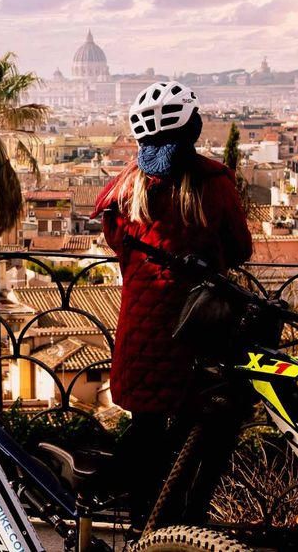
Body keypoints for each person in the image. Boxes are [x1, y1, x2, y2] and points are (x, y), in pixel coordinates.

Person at [90, 81, 252, 525]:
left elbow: (118, 246)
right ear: (192, 128)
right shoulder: (212, 183)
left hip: (140, 331)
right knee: (191, 439)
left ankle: (141, 525)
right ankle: (181, 528)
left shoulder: (124, 190)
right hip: (197, 331)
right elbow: (239, 248)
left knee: (145, 432)